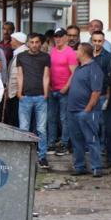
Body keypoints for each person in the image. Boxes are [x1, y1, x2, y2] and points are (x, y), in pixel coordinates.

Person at [66, 43, 104, 177]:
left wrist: (87, 109)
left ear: (83, 52)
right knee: (76, 141)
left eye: (77, 50)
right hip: (73, 110)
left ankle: (96, 167)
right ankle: (79, 166)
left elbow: (96, 92)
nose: (75, 52)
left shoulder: (94, 68)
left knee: (91, 139)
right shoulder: (78, 68)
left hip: (87, 111)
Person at [16, 33, 51, 169]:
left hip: (40, 97)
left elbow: (46, 75)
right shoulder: (21, 56)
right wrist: (19, 93)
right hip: (25, 96)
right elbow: (20, 75)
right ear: (27, 43)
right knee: (24, 128)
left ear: (40, 43)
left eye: (37, 42)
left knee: (41, 128)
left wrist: (46, 93)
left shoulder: (45, 57)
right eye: (32, 42)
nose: (35, 44)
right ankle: (24, 155)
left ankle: (42, 156)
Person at [49, 27, 77, 155]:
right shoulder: (52, 50)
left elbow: (74, 72)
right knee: (51, 117)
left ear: (66, 37)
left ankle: (65, 143)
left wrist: (66, 86)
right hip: (52, 89)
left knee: (64, 118)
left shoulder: (70, 52)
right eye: (56, 36)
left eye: (60, 36)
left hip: (64, 90)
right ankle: (52, 142)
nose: (58, 39)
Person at [90, 31, 111, 155]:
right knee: (90, 121)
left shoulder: (108, 57)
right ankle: (91, 146)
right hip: (88, 95)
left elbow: (110, 78)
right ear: (91, 41)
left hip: (102, 94)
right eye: (95, 41)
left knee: (102, 123)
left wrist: (108, 96)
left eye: (99, 41)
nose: (97, 43)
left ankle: (102, 147)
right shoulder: (87, 55)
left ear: (103, 42)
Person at [2, 31, 28, 127]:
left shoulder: (23, 53)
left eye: (12, 40)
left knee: (16, 120)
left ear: (18, 41)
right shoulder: (18, 52)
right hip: (13, 92)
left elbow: (18, 74)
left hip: (18, 93)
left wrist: (14, 91)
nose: (10, 42)